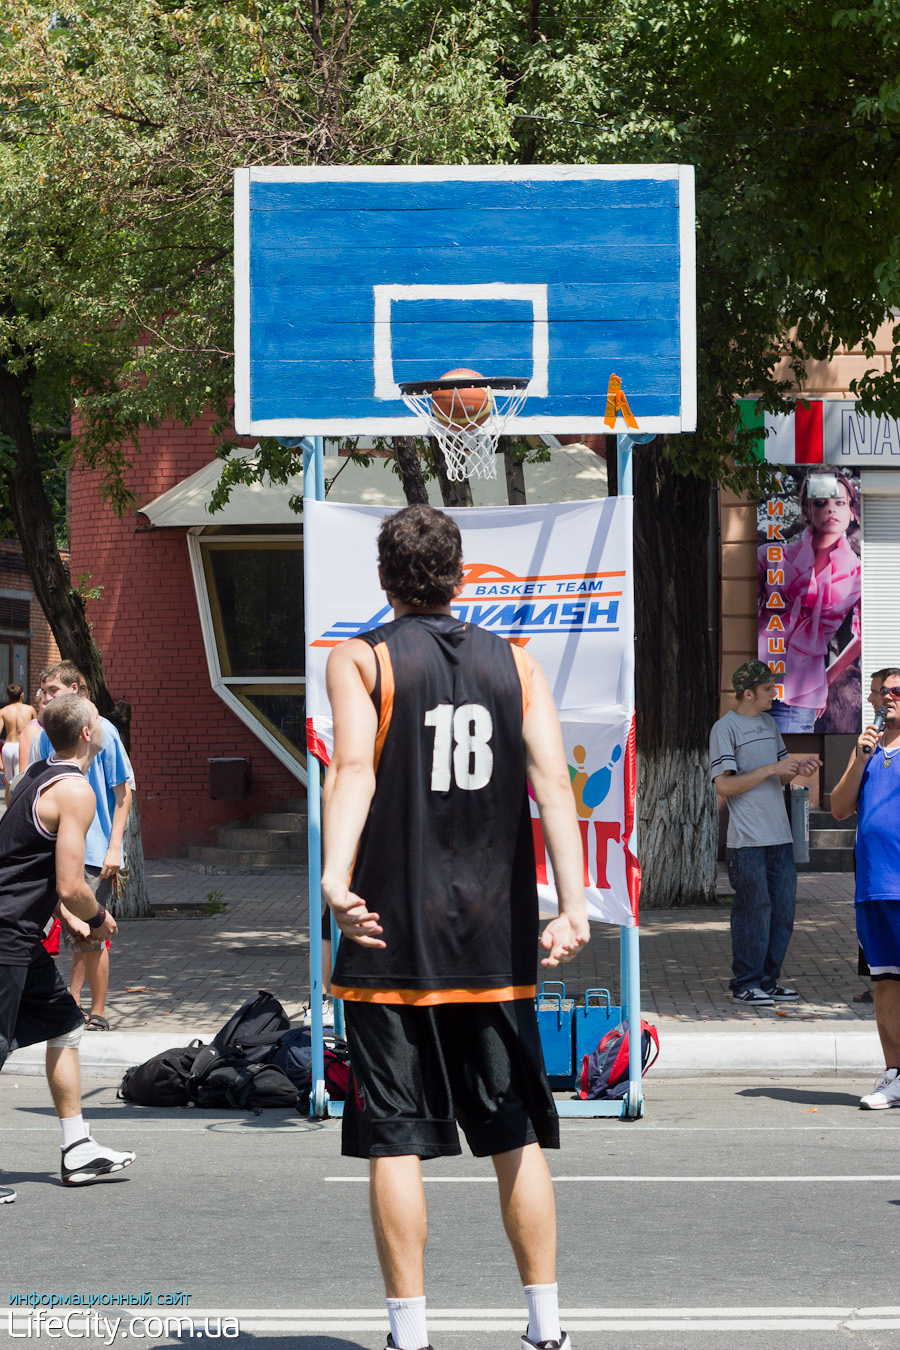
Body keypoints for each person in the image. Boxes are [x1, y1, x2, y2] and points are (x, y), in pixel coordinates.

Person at [321, 505, 589, 1350]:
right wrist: (574, 904)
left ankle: (411, 1336)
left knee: (395, 1139)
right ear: (462, 575)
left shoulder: (359, 659)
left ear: (382, 579)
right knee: (513, 1132)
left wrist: (333, 876)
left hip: (389, 931)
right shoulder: (518, 663)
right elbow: (553, 786)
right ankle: (547, 1329)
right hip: (493, 935)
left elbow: (356, 770)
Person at [0, 694, 136, 1203]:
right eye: (97, 719)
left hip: (19, 934)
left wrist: (68, 922)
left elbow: (22, 861)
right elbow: (70, 884)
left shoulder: (36, 775)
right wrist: (97, 919)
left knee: (66, 1023)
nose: (102, 726)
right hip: (6, 935)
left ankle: (77, 1148)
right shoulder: (76, 790)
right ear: (86, 734)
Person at [28, 662, 134, 1031]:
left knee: (92, 932)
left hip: (92, 851)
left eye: (52, 691)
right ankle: (70, 1005)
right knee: (74, 930)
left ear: (76, 690)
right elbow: (31, 788)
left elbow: (124, 794)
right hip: (54, 847)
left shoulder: (103, 734)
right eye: (43, 693)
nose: (45, 698)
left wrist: (114, 847)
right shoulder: (46, 735)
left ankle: (98, 1011)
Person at [710, 660, 821, 1006]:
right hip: (748, 842)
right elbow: (725, 786)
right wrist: (770, 767)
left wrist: (796, 770)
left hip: (780, 837)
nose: (775, 694)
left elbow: (778, 777)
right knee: (752, 913)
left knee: (782, 913)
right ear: (748, 693)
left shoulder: (769, 723)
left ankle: (768, 981)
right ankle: (745, 983)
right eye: (768, 689)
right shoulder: (724, 729)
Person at [831, 667, 900, 1109]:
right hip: (874, 885)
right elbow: (838, 808)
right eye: (880, 692)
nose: (886, 698)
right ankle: (894, 1075)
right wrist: (859, 757)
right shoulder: (869, 749)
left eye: (895, 691)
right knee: (886, 984)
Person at [758, 471, 861, 733]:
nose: (830, 510)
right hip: (753, 685)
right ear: (806, 511)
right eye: (820, 503)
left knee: (788, 768)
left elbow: (864, 636)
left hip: (801, 693)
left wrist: (826, 678)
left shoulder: (858, 575)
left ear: (851, 512)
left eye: (839, 503)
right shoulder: (771, 557)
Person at [0, 683, 37, 807]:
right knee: (22, 780)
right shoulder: (30, 709)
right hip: (23, 746)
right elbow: (37, 728)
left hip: (8, 746)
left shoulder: (3, 711)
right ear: (22, 695)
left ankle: (9, 813)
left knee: (9, 783)